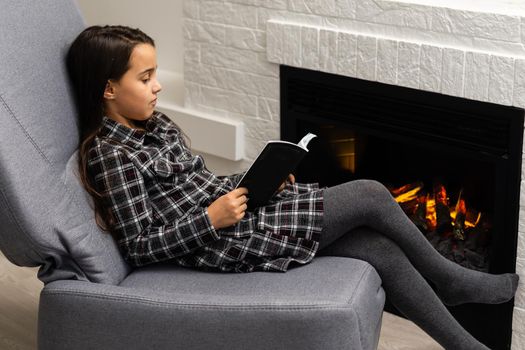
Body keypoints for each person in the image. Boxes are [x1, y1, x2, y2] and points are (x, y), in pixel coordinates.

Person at [66, 25, 519, 350]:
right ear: (108, 89)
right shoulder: (111, 154)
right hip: (217, 240)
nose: (158, 86)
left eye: (155, 73)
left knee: (378, 248)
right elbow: (140, 244)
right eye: (144, 79)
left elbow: (196, 185)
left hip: (236, 211)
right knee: (371, 193)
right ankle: (452, 279)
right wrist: (211, 219)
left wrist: (255, 179)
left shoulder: (155, 125)